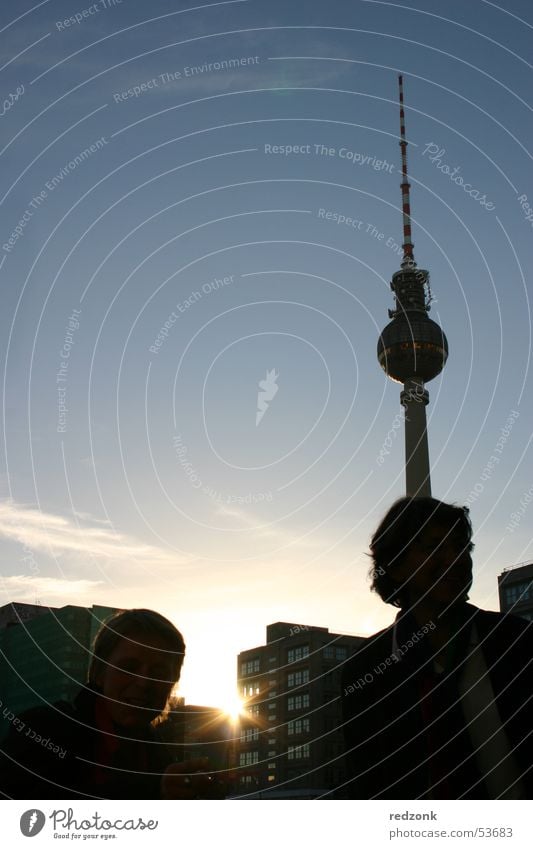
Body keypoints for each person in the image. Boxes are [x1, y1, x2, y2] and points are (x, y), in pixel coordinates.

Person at [341, 497, 533, 799]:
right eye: (433, 547)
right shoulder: (364, 670)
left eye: (461, 546)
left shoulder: (518, 643)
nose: (454, 559)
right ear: (395, 566)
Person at [0, 608, 219, 799]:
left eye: (159, 673)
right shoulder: (40, 732)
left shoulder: (162, 758)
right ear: (99, 672)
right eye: (129, 667)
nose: (143, 682)